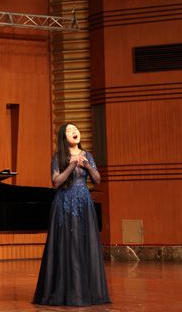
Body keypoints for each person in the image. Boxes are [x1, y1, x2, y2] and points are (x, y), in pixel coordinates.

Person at [33, 123, 111, 306]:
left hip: (84, 204)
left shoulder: (87, 155)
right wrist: (71, 166)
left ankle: (88, 291)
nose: (74, 132)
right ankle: (67, 292)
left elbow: (97, 180)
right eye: (69, 131)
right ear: (63, 137)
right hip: (64, 204)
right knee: (68, 246)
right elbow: (56, 181)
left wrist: (87, 166)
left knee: (84, 244)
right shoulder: (58, 157)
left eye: (75, 129)